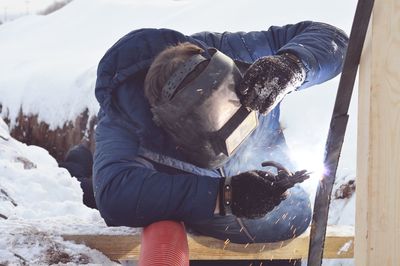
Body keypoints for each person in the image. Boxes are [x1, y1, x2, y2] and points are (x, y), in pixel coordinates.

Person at [62, 21, 348, 265]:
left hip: (270, 207)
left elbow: (333, 39)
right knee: (95, 190)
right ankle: (78, 169)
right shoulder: (124, 118)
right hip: (205, 209)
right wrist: (224, 196)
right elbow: (114, 194)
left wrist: (293, 64)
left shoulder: (233, 52)